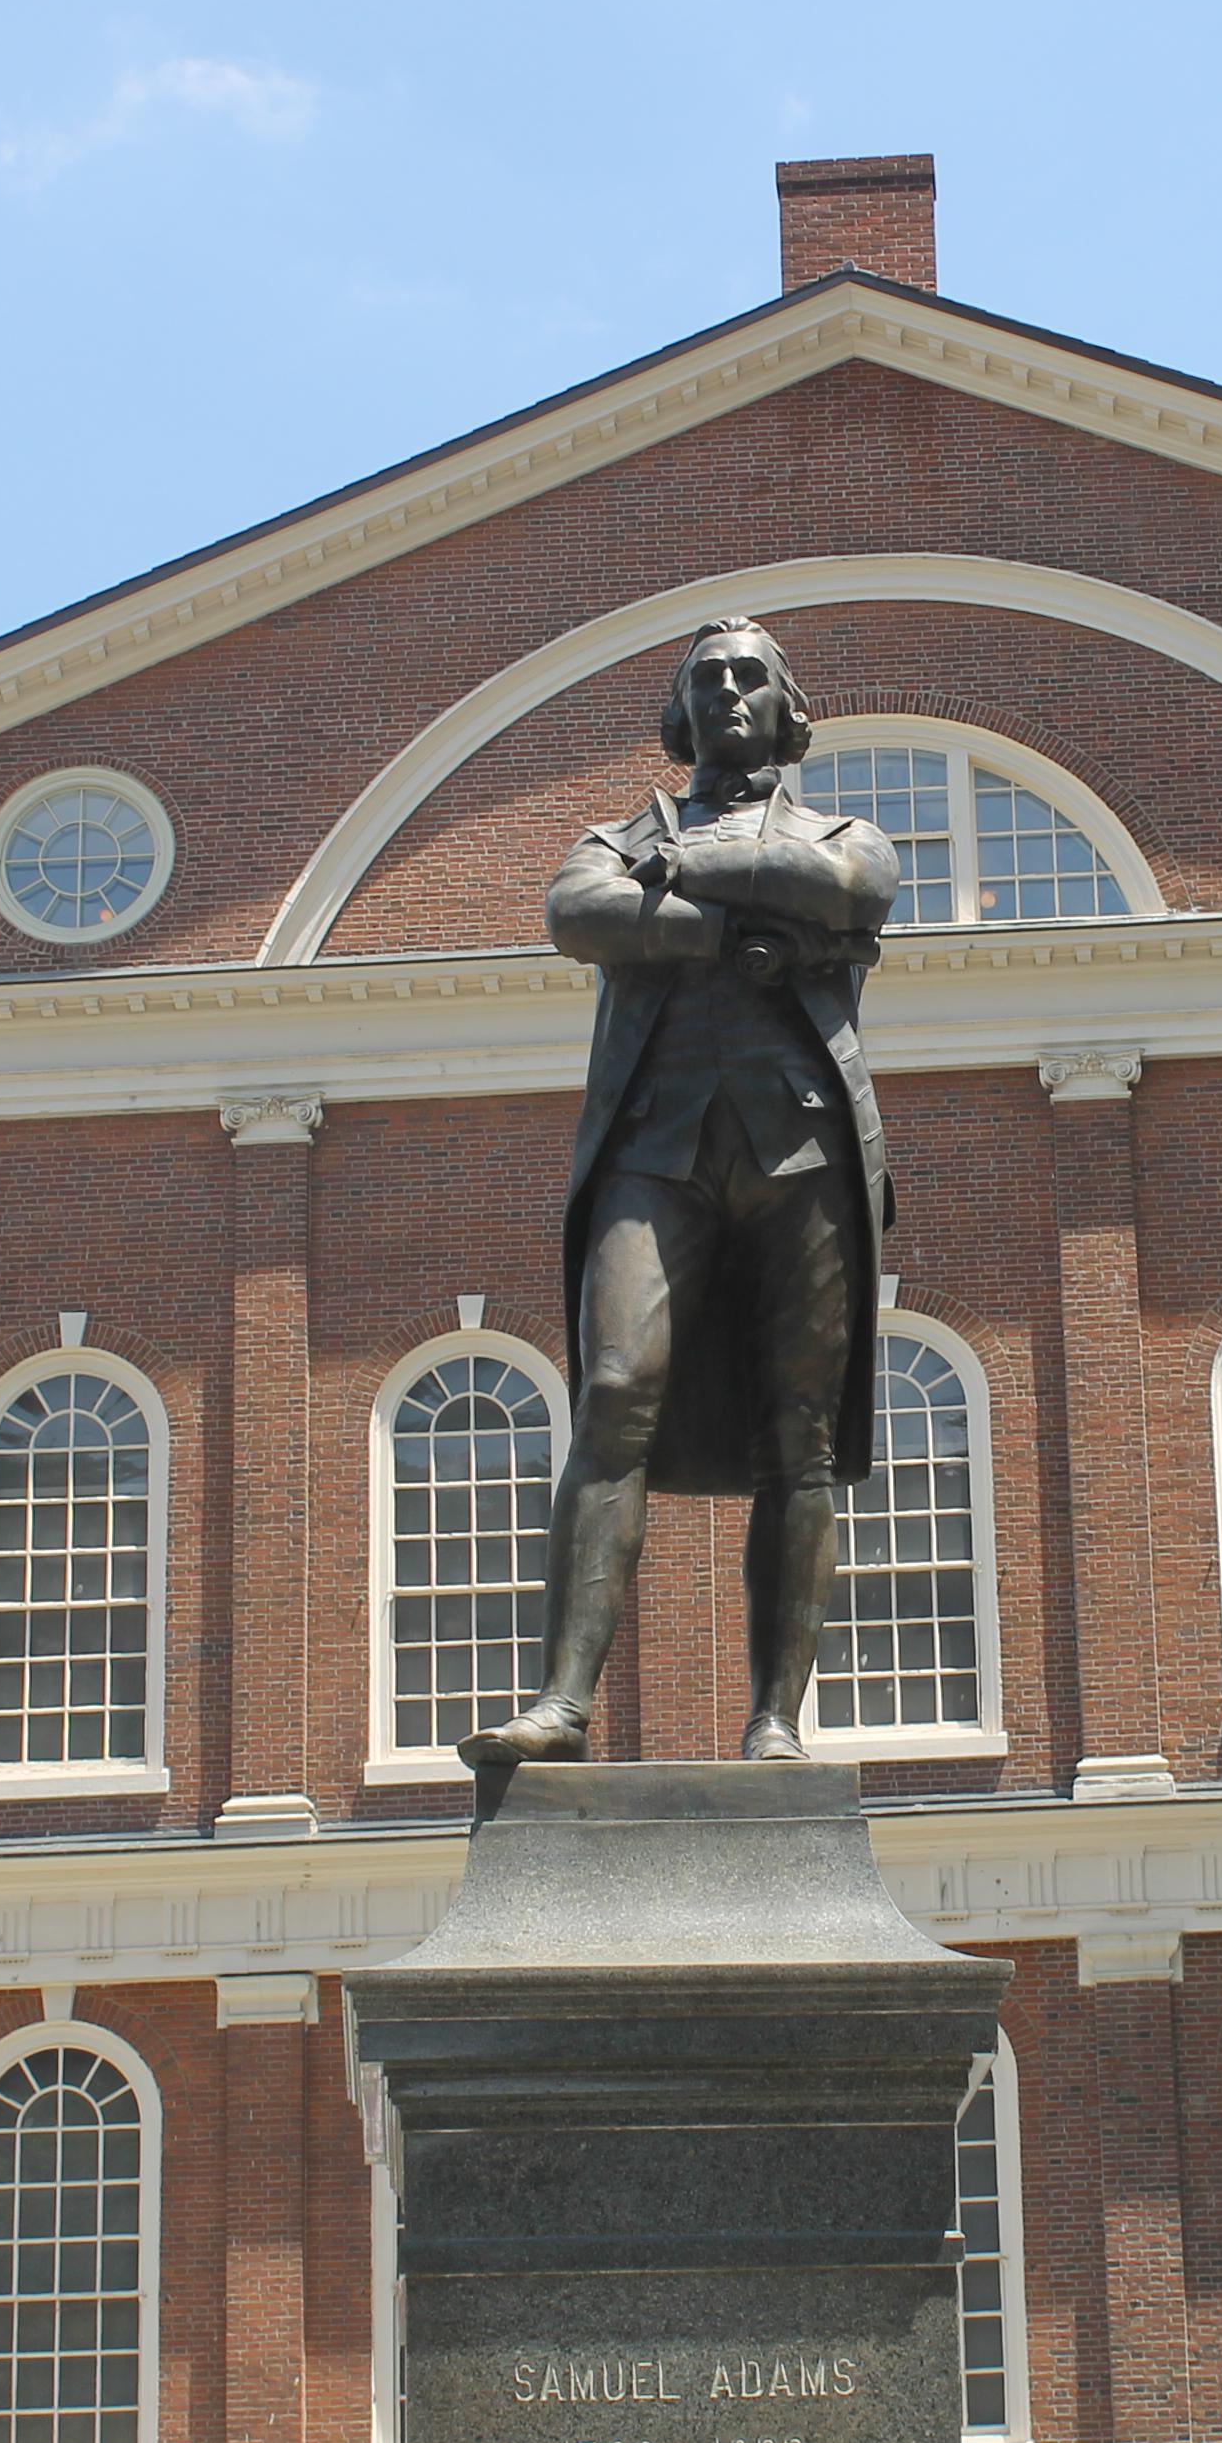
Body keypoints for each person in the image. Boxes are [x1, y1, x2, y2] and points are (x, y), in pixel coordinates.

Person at [459, 616, 898, 1769]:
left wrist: (687, 879)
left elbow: (851, 886)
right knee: (612, 1393)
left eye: (752, 676)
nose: (729, 692)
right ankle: (562, 1704)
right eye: (707, 678)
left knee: (801, 1438)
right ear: (680, 709)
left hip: (804, 1155)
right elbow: (579, 914)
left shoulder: (842, 831)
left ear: (788, 706)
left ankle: (776, 1720)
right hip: (654, 1155)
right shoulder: (611, 841)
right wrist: (746, 930)